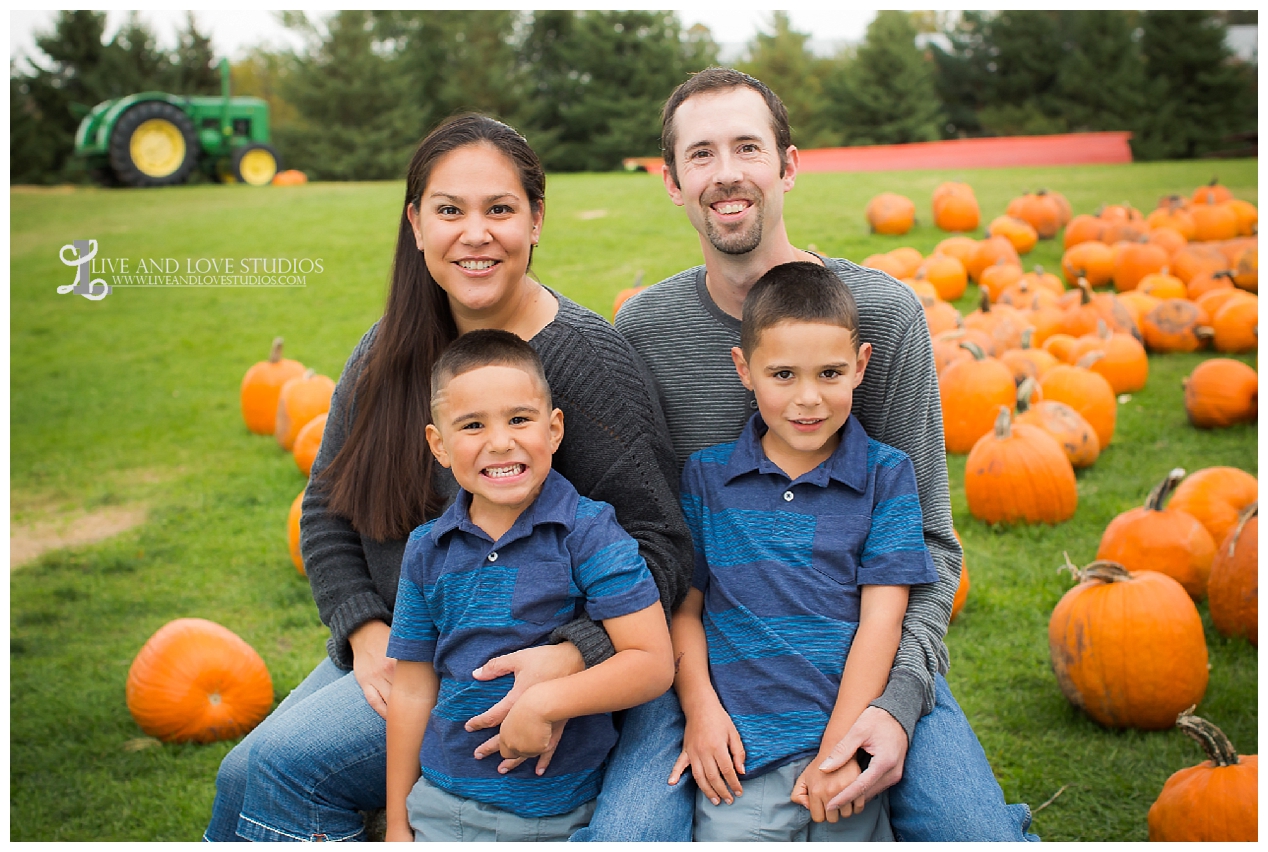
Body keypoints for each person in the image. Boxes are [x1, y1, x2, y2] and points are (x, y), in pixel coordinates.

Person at [203, 113, 693, 842]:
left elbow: (661, 544)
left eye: (499, 209)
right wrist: (364, 630)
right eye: (449, 210)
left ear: (535, 219)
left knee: (279, 767)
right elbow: (326, 511)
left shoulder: (587, 364)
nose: (475, 233)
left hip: (514, 661)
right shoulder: (386, 354)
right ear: (416, 223)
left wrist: (571, 653)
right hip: (407, 645)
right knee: (245, 770)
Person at [614, 67, 1039, 841]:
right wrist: (691, 699)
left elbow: (932, 549)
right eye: (701, 155)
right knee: (626, 836)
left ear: (788, 165)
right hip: (708, 663)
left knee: (976, 834)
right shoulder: (645, 329)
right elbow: (658, 549)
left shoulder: (881, 313)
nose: (728, 173)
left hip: (857, 655)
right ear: (673, 183)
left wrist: (896, 703)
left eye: (748, 147)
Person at [671, 262, 939, 841]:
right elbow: (684, 609)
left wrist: (838, 751)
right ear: (745, 370)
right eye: (784, 374)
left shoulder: (886, 476)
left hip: (846, 756)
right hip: (740, 762)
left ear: (861, 366)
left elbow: (882, 620)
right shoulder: (706, 477)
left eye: (830, 373)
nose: (808, 398)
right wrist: (700, 709)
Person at [384, 329, 674, 842]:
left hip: (556, 818)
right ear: (440, 445)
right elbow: (410, 688)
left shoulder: (588, 532)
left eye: (519, 419)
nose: (501, 441)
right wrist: (396, 821)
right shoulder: (427, 549)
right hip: (439, 809)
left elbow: (651, 663)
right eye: (472, 425)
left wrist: (545, 703)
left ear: (554, 429)